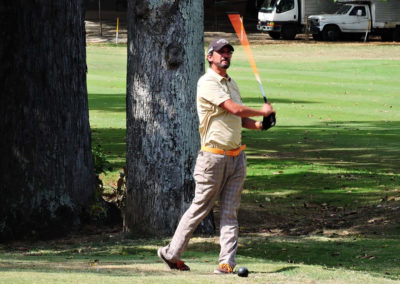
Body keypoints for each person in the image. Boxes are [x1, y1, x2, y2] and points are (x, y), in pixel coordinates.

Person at [158, 38, 275, 274]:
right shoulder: (207, 82)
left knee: (230, 212)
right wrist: (262, 110)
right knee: (199, 208)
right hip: (212, 159)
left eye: (229, 52)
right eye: (221, 52)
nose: (226, 55)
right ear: (209, 57)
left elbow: (240, 119)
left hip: (236, 157)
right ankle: (171, 254)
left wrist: (262, 125)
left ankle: (226, 263)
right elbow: (233, 108)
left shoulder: (232, 84)